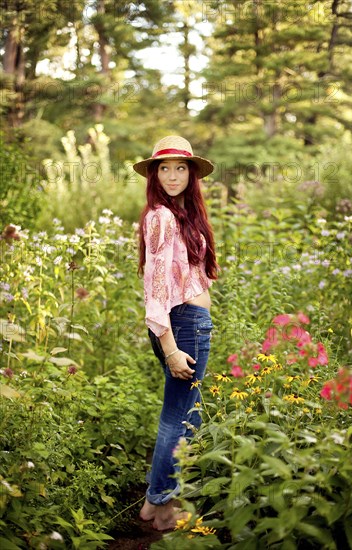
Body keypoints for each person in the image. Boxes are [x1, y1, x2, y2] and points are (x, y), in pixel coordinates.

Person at [133, 135, 219, 531]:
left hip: (186, 323)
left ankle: (154, 505)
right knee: (180, 418)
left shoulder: (183, 214)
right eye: (163, 167)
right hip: (180, 326)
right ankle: (163, 507)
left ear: (192, 173)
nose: (171, 175)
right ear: (153, 173)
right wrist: (169, 346)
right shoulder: (161, 217)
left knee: (183, 414)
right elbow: (154, 287)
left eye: (180, 167)